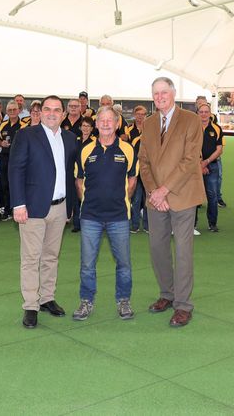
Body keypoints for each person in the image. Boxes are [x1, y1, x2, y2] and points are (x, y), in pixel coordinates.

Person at [139, 77, 204, 328]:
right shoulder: (148, 123)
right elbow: (144, 162)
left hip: (183, 195)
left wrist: (165, 189)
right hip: (156, 198)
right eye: (155, 93)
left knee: (183, 251)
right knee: (157, 247)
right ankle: (167, 294)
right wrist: (155, 191)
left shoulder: (191, 120)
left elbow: (190, 160)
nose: (159, 97)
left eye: (164, 92)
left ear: (173, 94)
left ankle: (183, 305)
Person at [10, 95, 79, 329]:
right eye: (47, 109)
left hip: (60, 208)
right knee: (31, 259)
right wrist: (18, 204)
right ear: (39, 113)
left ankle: (48, 298)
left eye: (56, 110)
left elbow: (71, 174)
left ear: (63, 114)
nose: (51, 113)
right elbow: (16, 170)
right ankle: (31, 305)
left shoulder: (70, 139)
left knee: (51, 256)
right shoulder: (26, 135)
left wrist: (69, 206)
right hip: (32, 208)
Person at [72, 106, 138, 321]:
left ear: (117, 123)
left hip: (119, 216)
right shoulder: (85, 150)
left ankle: (123, 301)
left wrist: (121, 199)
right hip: (90, 216)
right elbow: (79, 180)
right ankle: (86, 301)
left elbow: (132, 180)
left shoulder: (127, 149)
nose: (107, 123)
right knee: (87, 264)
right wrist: (89, 201)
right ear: (96, 123)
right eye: (102, 120)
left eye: (111, 120)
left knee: (124, 264)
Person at [198, 103, 223, 232]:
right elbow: (190, 148)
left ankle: (212, 223)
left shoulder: (217, 129)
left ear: (210, 113)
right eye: (201, 111)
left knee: (212, 196)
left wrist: (206, 162)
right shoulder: (192, 128)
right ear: (198, 113)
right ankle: (192, 224)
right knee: (194, 196)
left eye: (206, 111)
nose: (203, 114)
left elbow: (219, 149)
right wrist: (200, 164)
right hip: (195, 167)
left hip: (212, 166)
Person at [68, 116, 95, 233]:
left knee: (87, 199)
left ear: (92, 128)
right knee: (75, 199)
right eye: (84, 126)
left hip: (89, 174)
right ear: (80, 127)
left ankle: (89, 223)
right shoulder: (75, 140)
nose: (85, 128)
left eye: (88, 126)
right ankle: (77, 224)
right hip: (75, 173)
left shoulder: (95, 142)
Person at [0, 101, 22, 220]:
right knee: (5, 184)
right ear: (6, 112)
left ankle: (17, 208)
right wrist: (1, 143)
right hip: (5, 158)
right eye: (10, 110)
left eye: (14, 109)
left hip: (18, 159)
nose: (12, 112)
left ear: (18, 110)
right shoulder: (2, 125)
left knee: (17, 184)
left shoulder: (24, 125)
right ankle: (7, 209)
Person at [126, 105, 148, 233]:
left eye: (142, 114)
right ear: (135, 115)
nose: (140, 117)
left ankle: (147, 226)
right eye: (138, 114)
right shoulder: (129, 130)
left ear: (146, 115)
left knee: (148, 200)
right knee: (135, 198)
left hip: (147, 169)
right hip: (134, 169)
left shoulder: (151, 129)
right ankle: (134, 225)